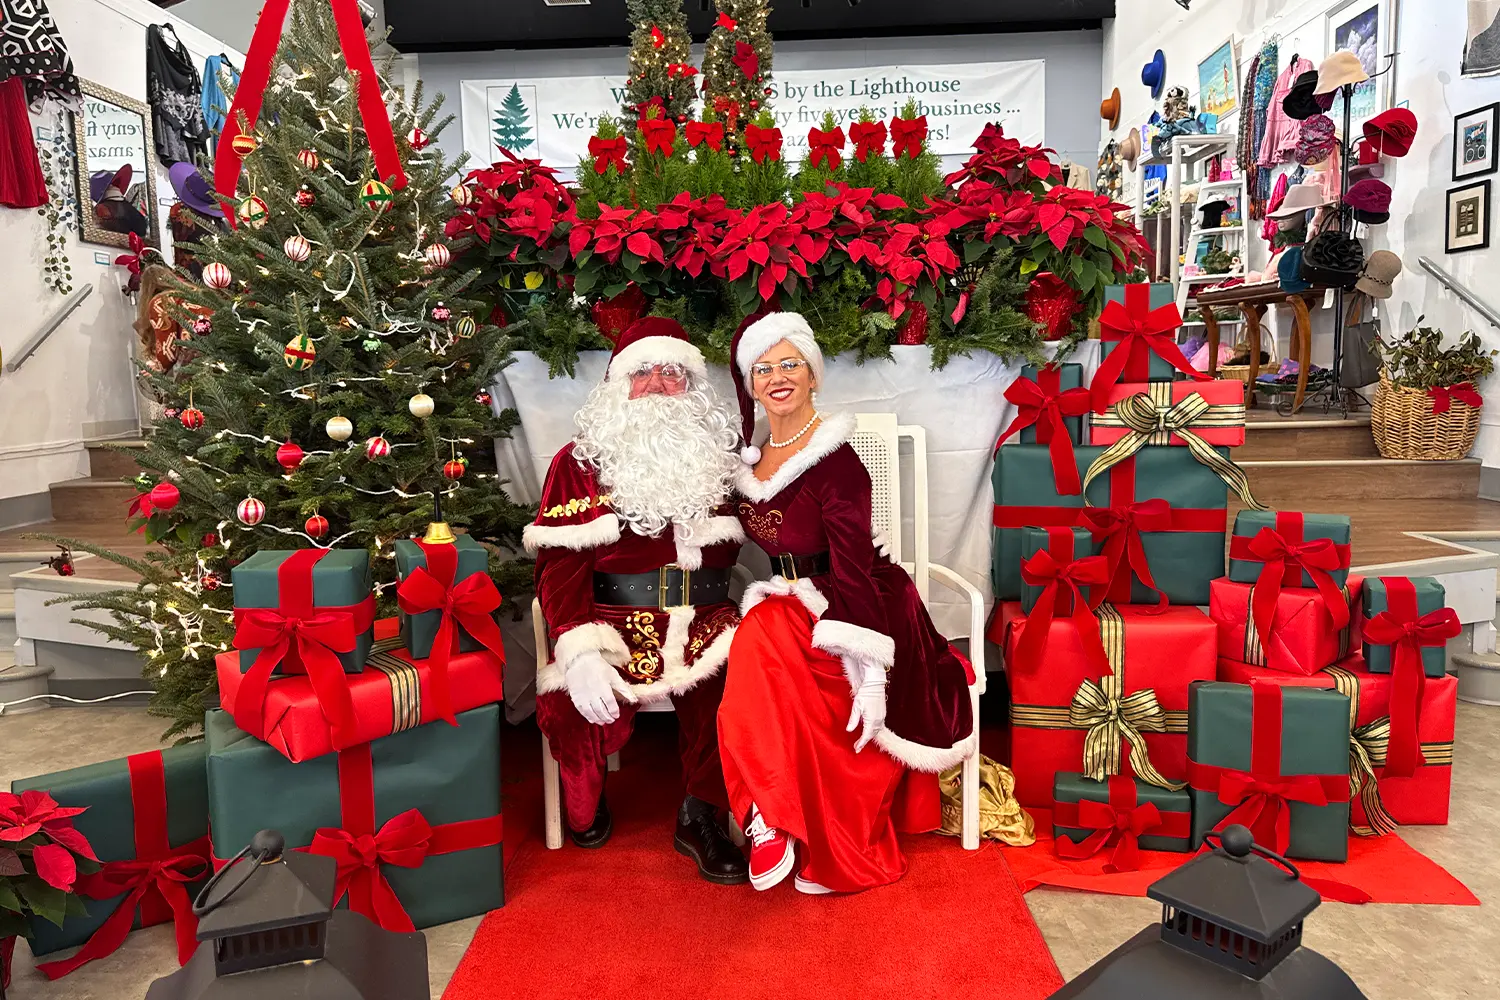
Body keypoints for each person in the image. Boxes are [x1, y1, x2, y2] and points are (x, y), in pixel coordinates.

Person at [720, 312, 976, 895]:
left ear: (813, 376)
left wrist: (873, 672)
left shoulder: (836, 461)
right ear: (751, 383)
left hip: (863, 601)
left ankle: (789, 824)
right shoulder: (751, 463)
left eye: (791, 364)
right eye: (764, 368)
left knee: (765, 640)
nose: (778, 377)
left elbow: (855, 566)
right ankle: (771, 814)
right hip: (792, 599)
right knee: (758, 641)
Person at [525, 316, 749, 884]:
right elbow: (559, 566)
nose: (656, 384)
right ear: (618, 385)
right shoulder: (579, 462)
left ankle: (701, 815)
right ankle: (584, 807)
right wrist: (577, 648)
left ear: (692, 385)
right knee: (570, 706)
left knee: (741, 685)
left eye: (672, 372)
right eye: (642, 371)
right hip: (611, 621)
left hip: (708, 621)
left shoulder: (723, 457)